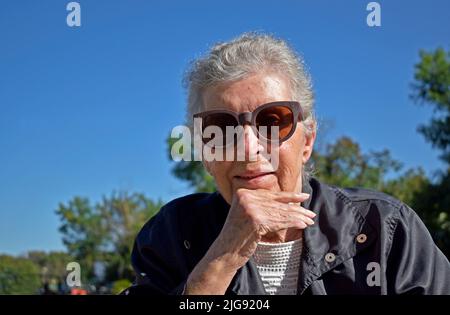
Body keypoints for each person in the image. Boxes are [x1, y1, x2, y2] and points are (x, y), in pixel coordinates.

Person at [124, 32, 450, 295]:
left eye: (272, 121)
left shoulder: (385, 230)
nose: (248, 148)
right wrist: (222, 258)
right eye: (221, 128)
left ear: (307, 141)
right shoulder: (172, 235)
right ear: (206, 154)